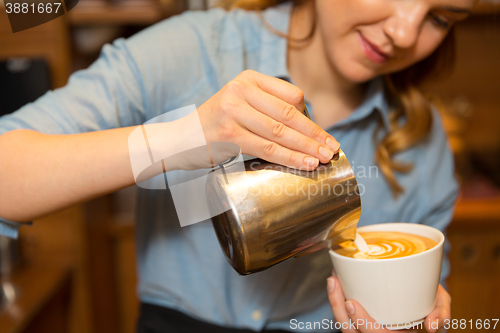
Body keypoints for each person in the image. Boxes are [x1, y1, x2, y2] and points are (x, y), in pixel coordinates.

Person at [0, 0, 478, 332]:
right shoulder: (190, 50)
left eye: (439, 17)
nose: (405, 32)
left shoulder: (421, 138)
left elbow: (421, 304)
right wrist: (185, 138)